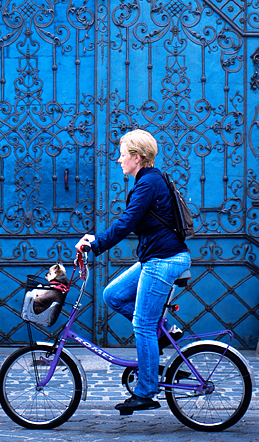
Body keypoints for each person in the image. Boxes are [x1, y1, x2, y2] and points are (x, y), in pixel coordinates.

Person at [75, 128, 191, 413]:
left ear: (137, 157)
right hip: (157, 257)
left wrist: (96, 244)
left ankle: (147, 391)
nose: (118, 160)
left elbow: (127, 222)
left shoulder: (149, 183)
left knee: (142, 324)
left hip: (163, 260)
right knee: (112, 295)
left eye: (122, 154)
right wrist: (96, 239)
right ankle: (165, 332)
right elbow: (132, 221)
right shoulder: (150, 179)